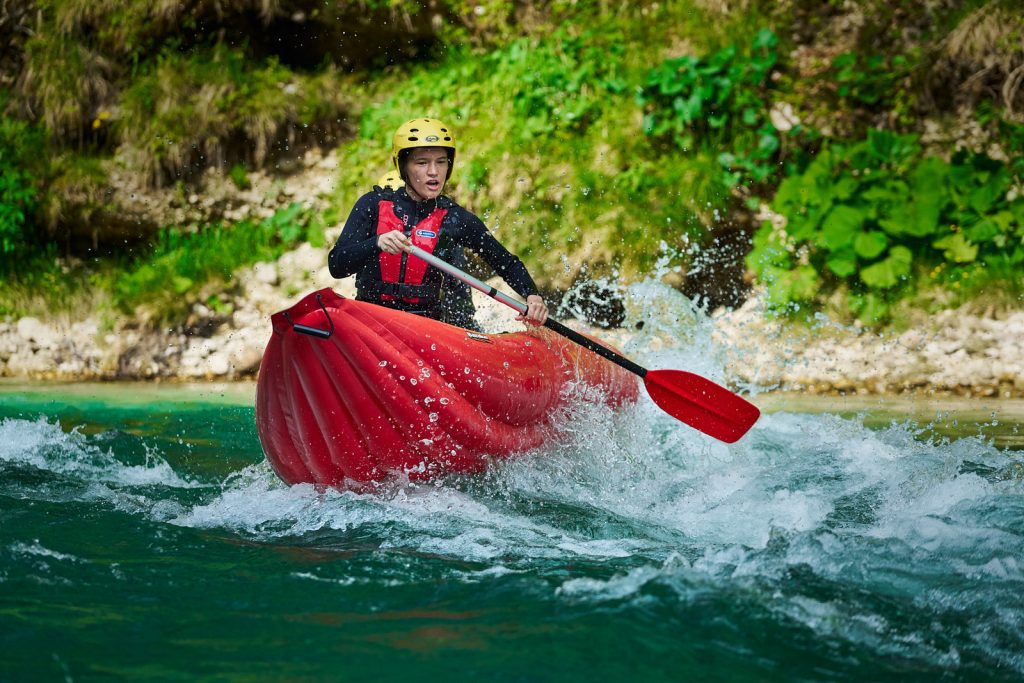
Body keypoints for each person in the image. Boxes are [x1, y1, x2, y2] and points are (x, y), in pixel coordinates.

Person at [329, 118, 548, 328]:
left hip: (425, 327)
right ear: (403, 166)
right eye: (422, 163)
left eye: (441, 162)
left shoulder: (455, 218)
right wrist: (376, 243)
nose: (433, 171)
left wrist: (532, 296)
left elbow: (505, 262)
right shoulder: (372, 205)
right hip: (370, 317)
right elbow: (336, 265)